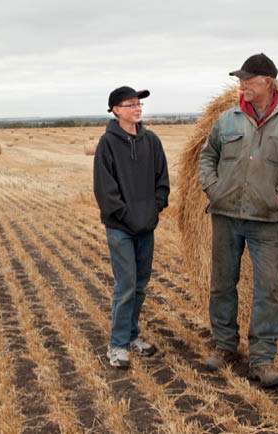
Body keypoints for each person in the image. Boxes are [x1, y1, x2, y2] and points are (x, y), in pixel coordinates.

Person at [198, 53, 278, 387]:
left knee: (267, 290)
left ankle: (262, 360)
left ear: (267, 82)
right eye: (240, 80)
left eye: (248, 79)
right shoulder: (227, 119)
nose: (242, 84)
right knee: (221, 284)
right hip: (226, 214)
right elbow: (207, 157)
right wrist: (213, 189)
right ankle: (225, 347)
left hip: (266, 219)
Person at [94, 86, 170, 368]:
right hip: (120, 228)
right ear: (115, 110)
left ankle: (132, 335)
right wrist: (127, 216)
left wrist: (153, 209)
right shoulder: (107, 144)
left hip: (146, 227)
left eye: (139, 104)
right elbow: (105, 191)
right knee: (125, 285)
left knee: (140, 285)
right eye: (131, 105)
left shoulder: (152, 142)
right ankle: (117, 345)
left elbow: (163, 181)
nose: (137, 109)